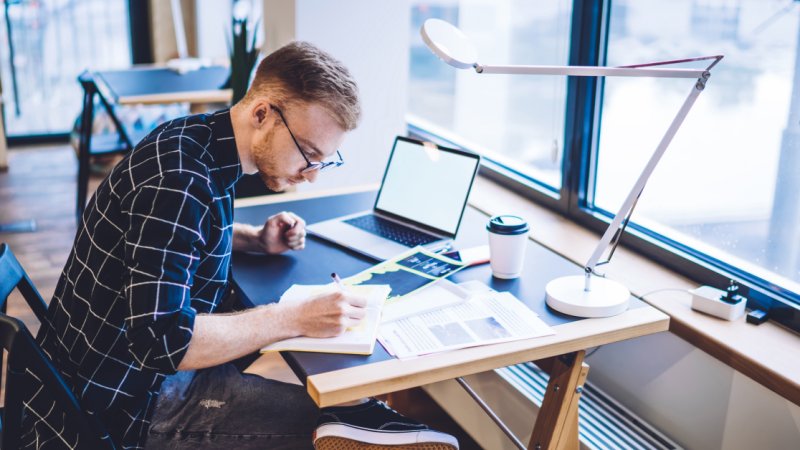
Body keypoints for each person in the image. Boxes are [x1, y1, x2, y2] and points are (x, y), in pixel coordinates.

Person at [20, 41, 459, 450]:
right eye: (308, 153)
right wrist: (292, 318)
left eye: (323, 161)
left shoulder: (194, 142)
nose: (311, 175)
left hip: (110, 376)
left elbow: (160, 241)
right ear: (263, 113)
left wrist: (252, 238)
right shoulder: (179, 181)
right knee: (335, 419)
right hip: (127, 405)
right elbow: (164, 341)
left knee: (347, 408)